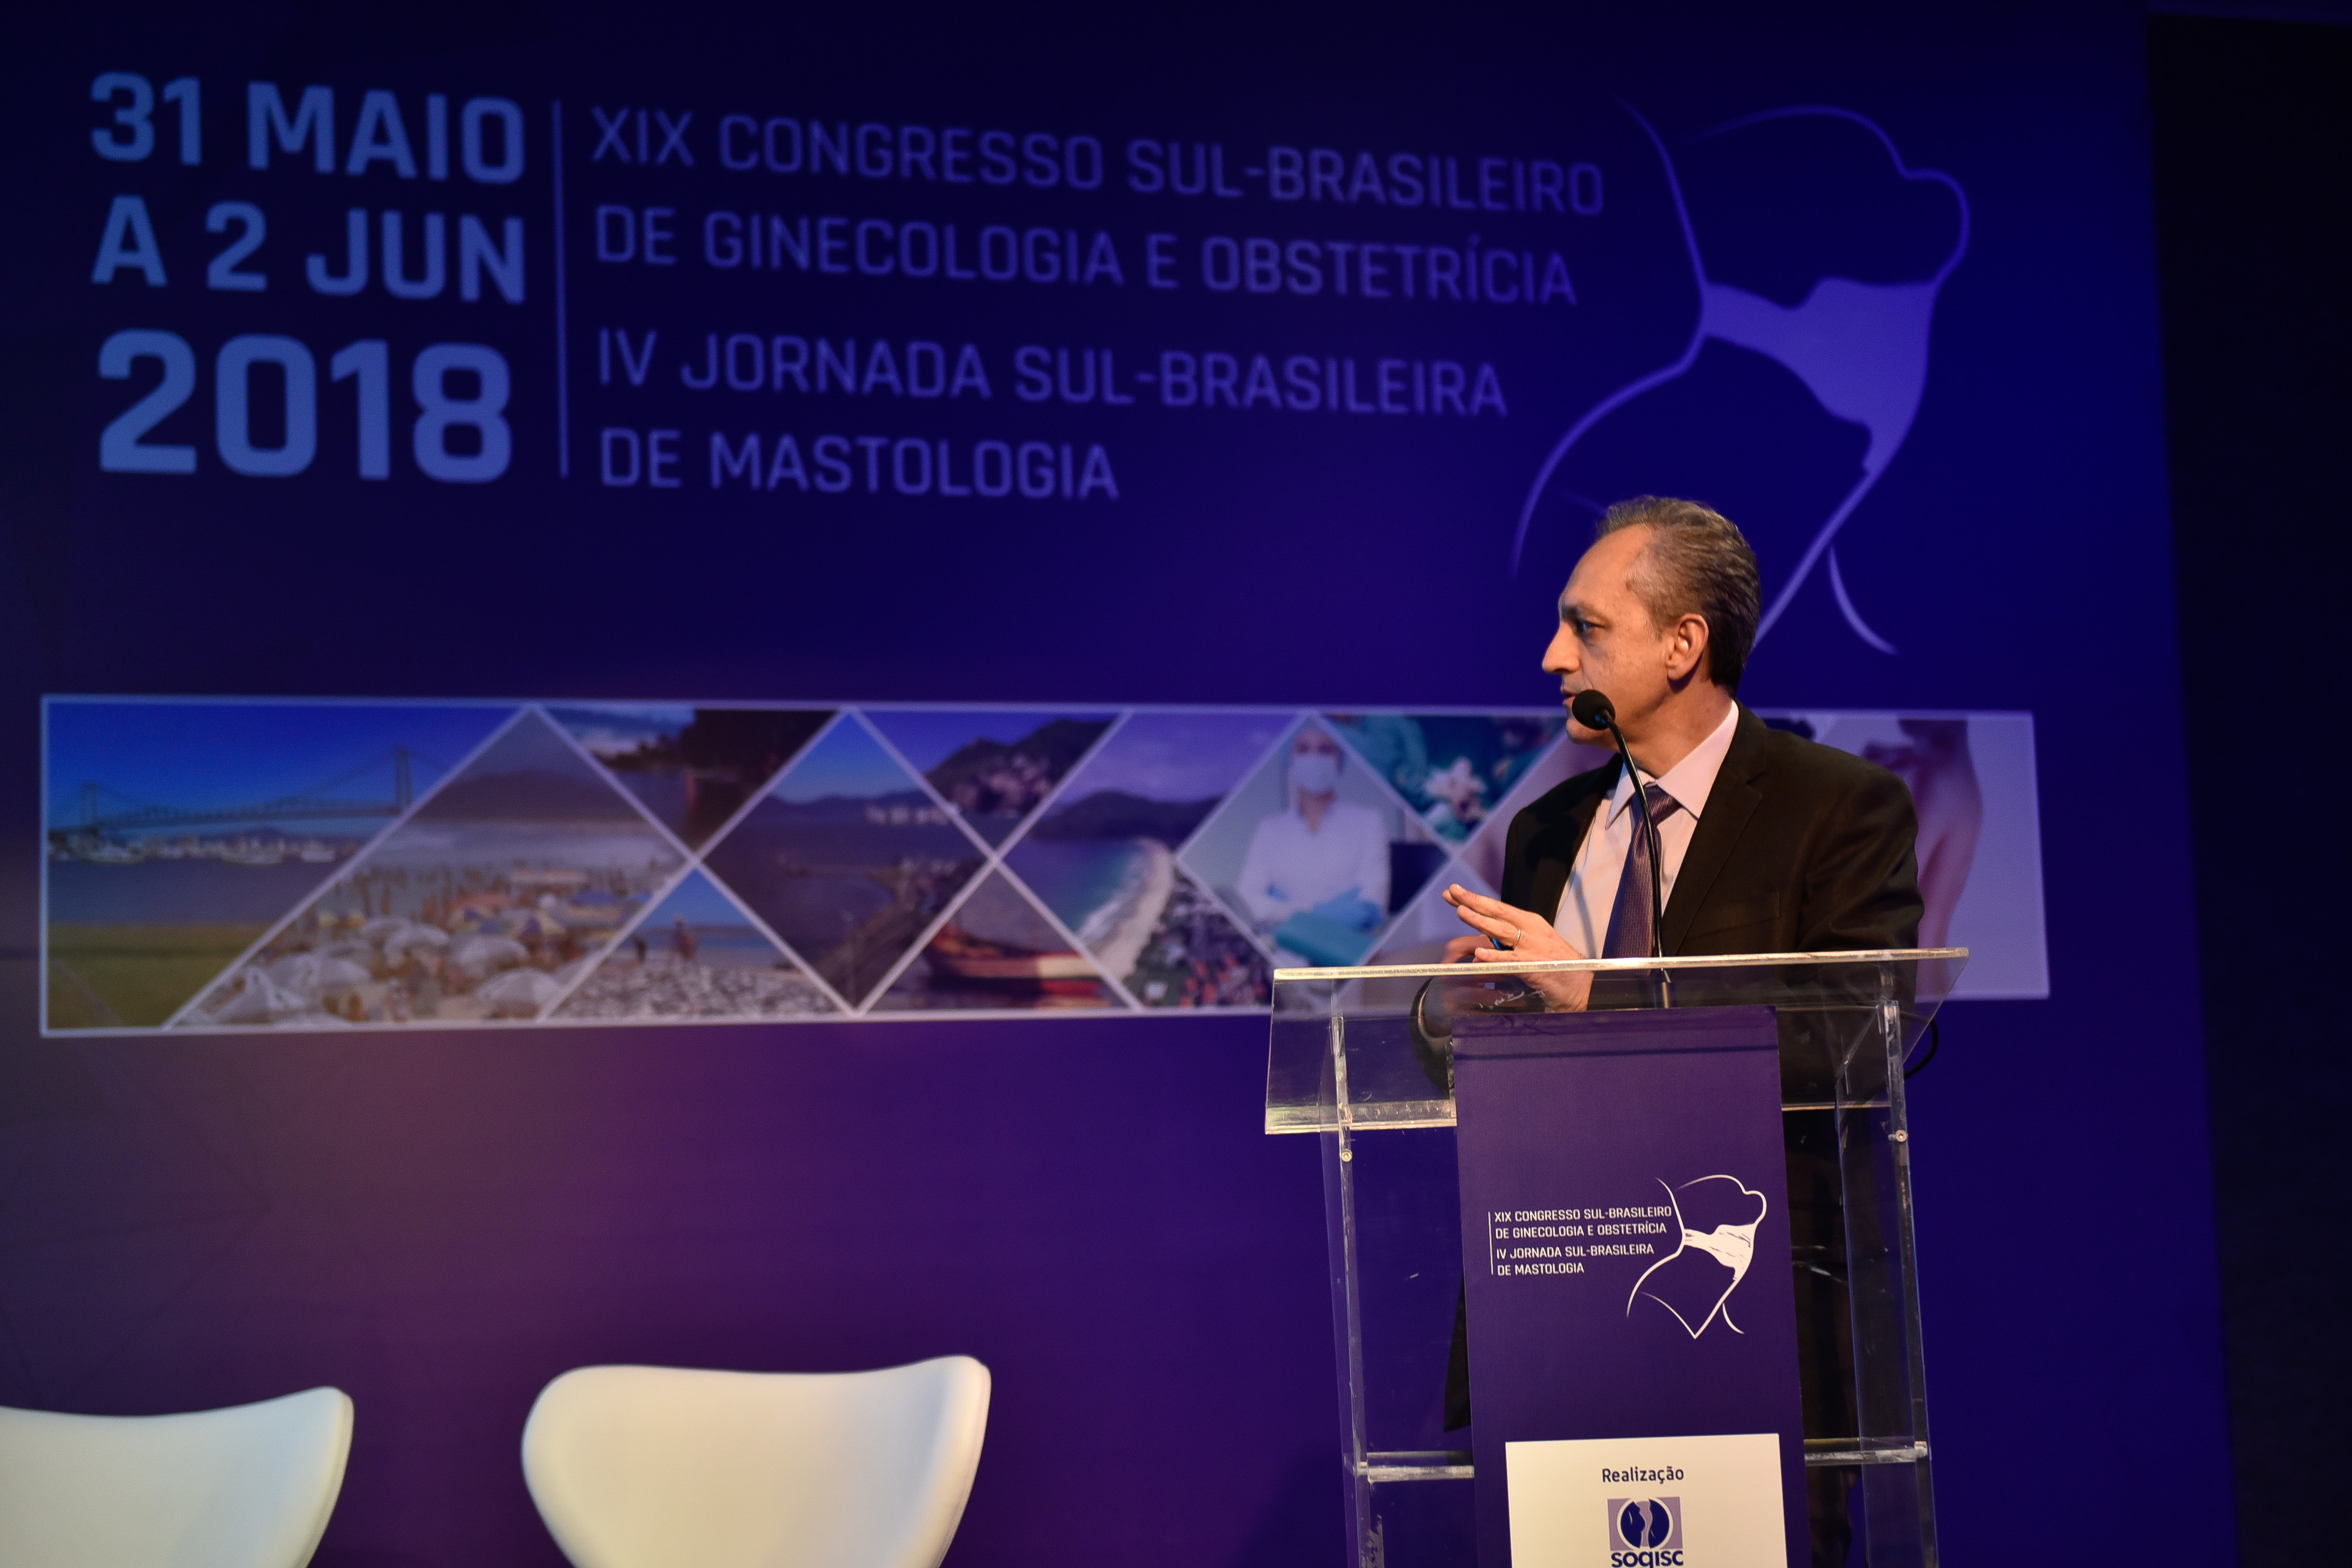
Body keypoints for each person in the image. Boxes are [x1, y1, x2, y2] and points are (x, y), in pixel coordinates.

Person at [1431, 496, 1922, 1568]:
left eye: (1587, 627)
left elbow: (1854, 1037)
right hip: (1555, 1309)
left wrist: (1595, 997)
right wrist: (1465, 1018)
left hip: (1758, 1321)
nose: (1553, 654)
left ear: (1683, 643)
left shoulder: (1837, 806)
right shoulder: (1546, 830)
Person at [1232, 724, 1390, 962]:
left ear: (1340, 760)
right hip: (1286, 958)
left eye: (1325, 750)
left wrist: (1283, 912)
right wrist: (1334, 911)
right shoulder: (1270, 829)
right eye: (1303, 749)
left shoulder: (1368, 822)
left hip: (1348, 954)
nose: (1314, 758)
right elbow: (1248, 897)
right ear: (1290, 760)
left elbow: (1372, 904)